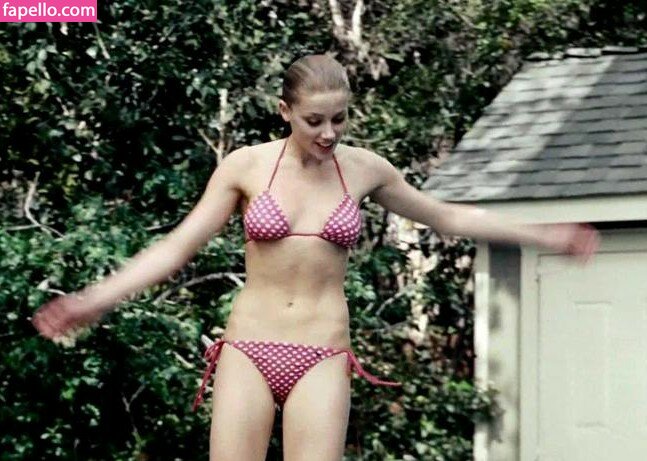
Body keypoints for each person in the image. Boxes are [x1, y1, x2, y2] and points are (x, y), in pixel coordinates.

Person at [31, 54, 600, 461]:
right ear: (285, 110)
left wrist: (544, 235)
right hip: (249, 347)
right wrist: (94, 300)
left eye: (340, 119)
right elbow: (178, 246)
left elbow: (449, 217)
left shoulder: (366, 169)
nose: (329, 133)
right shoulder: (246, 167)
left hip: (323, 351)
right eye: (314, 120)